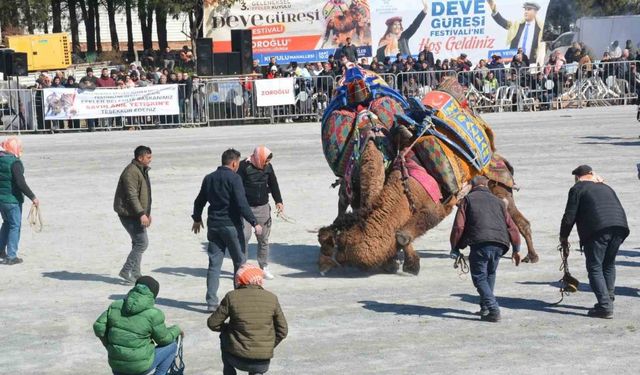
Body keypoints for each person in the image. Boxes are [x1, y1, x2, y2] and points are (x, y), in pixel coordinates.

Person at [192, 149, 263, 312]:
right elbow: (241, 203)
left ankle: (211, 302)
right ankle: (240, 299)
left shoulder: (209, 178)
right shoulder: (234, 178)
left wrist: (197, 218)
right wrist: (254, 222)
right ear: (234, 163)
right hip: (231, 226)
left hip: (214, 226)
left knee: (214, 264)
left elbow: (199, 201)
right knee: (240, 263)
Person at [559, 165, 629, 319]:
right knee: (609, 264)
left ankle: (604, 307)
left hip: (597, 229)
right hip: (620, 226)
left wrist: (563, 237)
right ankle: (608, 300)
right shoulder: (605, 187)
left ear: (577, 178)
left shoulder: (577, 189)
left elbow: (569, 216)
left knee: (595, 267)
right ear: (591, 174)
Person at [450, 176, 521, 322]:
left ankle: (493, 309)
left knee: (479, 277)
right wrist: (516, 248)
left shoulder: (467, 201)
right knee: (490, 273)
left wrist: (455, 247)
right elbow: (512, 227)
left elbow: (459, 227)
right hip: (500, 244)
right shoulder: (499, 202)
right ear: (487, 185)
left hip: (480, 243)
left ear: (472, 186)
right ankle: (485, 308)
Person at [208, 264, 288, 375]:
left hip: (236, 357)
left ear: (239, 279)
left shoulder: (231, 297)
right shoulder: (272, 298)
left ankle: (229, 372)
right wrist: (267, 345)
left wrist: (229, 329)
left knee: (224, 336)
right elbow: (283, 331)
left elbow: (213, 323)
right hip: (262, 361)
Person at [93, 276, 183, 375]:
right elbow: (164, 340)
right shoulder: (153, 314)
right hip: (139, 368)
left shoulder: (115, 305)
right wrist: (176, 329)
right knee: (172, 345)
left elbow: (98, 327)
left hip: (116, 366)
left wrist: (110, 346)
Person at [237, 146, 284, 280]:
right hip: (246, 208)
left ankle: (263, 266)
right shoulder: (243, 166)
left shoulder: (268, 168)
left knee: (263, 239)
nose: (267, 164)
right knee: (244, 238)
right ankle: (242, 267)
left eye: (268, 161)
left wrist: (278, 201)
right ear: (259, 157)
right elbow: (237, 187)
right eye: (266, 161)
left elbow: (274, 184)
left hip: (263, 207)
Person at [113, 146, 153, 283]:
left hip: (137, 213)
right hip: (129, 214)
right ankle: (126, 270)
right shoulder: (131, 172)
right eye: (148, 157)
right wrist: (142, 214)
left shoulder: (141, 170)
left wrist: (147, 213)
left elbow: (145, 194)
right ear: (140, 158)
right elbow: (132, 195)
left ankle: (136, 273)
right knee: (142, 243)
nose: (150, 160)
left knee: (137, 243)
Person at [0, 137, 39, 265]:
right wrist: (33, 197)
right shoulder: (14, 163)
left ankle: (1, 250)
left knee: (6, 223)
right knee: (14, 226)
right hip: (12, 200)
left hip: (2, 199)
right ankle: (11, 256)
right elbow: (20, 183)